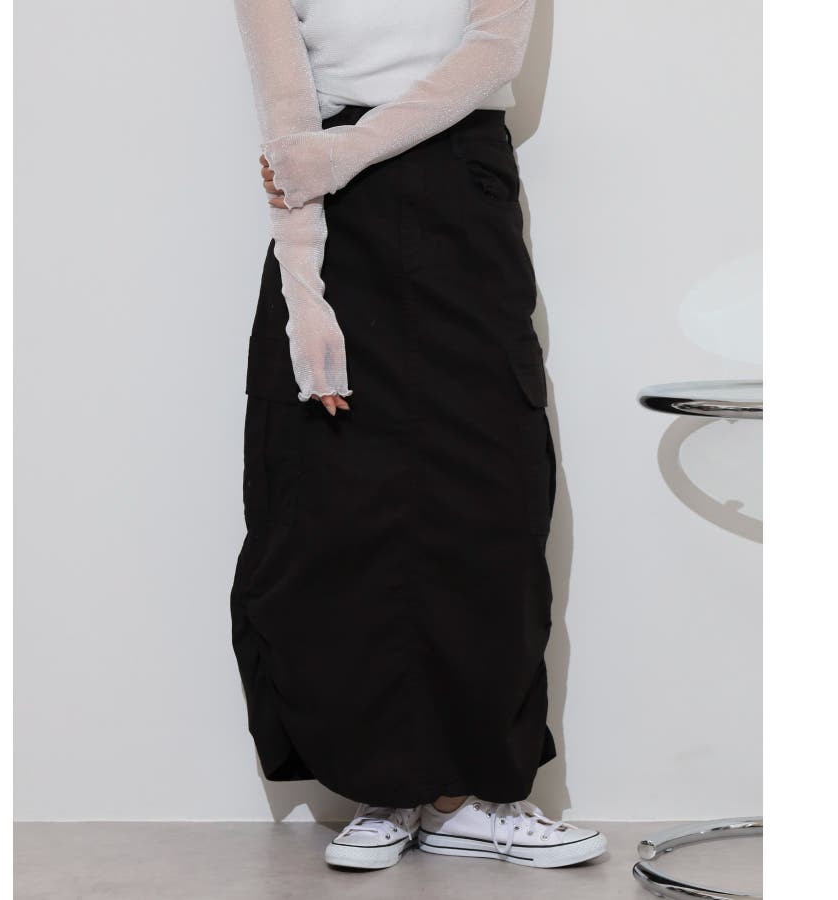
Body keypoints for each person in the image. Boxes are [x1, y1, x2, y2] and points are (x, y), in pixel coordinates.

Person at [229, 0, 608, 871]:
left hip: (457, 182)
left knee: (490, 493)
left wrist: (347, 152)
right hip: (333, 217)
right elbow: (289, 124)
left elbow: (491, 56)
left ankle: (479, 797)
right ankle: (383, 793)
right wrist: (304, 296)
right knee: (336, 506)